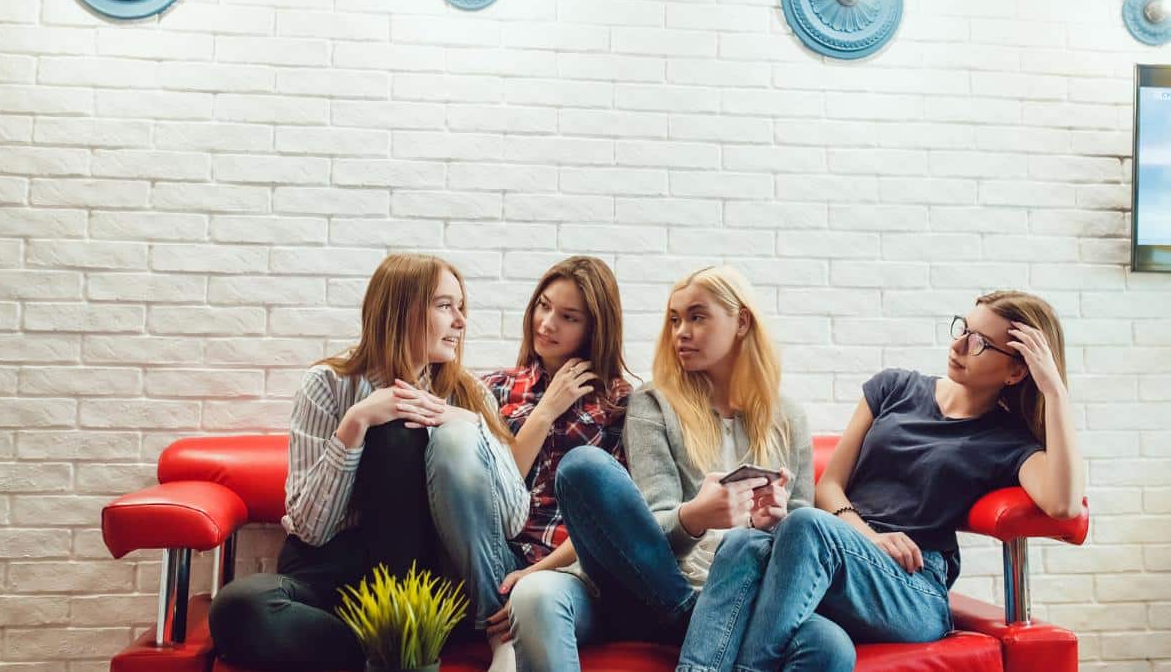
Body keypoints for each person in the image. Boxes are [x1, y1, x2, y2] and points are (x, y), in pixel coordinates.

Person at [677, 290, 1085, 672]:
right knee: (747, 547)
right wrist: (870, 538)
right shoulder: (895, 388)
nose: (958, 345)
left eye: (980, 342)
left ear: (1016, 371)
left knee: (803, 525)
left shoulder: (1007, 438)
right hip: (840, 559)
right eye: (963, 329)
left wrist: (1055, 390)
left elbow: (1064, 504)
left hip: (911, 588)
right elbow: (829, 487)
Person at [208, 253, 525, 671]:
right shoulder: (327, 383)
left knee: (399, 434)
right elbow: (310, 528)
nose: (461, 322)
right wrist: (355, 424)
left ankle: (398, 641)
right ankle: (381, 653)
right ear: (401, 310)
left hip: (417, 580)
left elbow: (514, 519)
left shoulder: (471, 396)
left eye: (461, 307)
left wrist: (466, 424)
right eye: (445, 306)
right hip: (329, 574)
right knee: (238, 607)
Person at [542, 265, 814, 672]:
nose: (681, 332)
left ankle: (711, 633)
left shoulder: (788, 417)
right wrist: (696, 517)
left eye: (697, 317)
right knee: (583, 467)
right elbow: (647, 534)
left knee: (830, 645)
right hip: (664, 589)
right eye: (674, 320)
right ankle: (696, 623)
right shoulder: (653, 405)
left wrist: (775, 521)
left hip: (743, 593)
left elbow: (803, 541)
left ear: (741, 322)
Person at [445, 256, 633, 672]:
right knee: (453, 449)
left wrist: (534, 575)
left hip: (571, 572)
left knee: (540, 598)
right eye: (543, 306)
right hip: (494, 562)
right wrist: (546, 411)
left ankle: (506, 634)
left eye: (568, 317)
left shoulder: (621, 405)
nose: (547, 323)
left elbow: (612, 523)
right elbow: (495, 493)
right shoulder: (494, 388)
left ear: (595, 329)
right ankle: (501, 633)